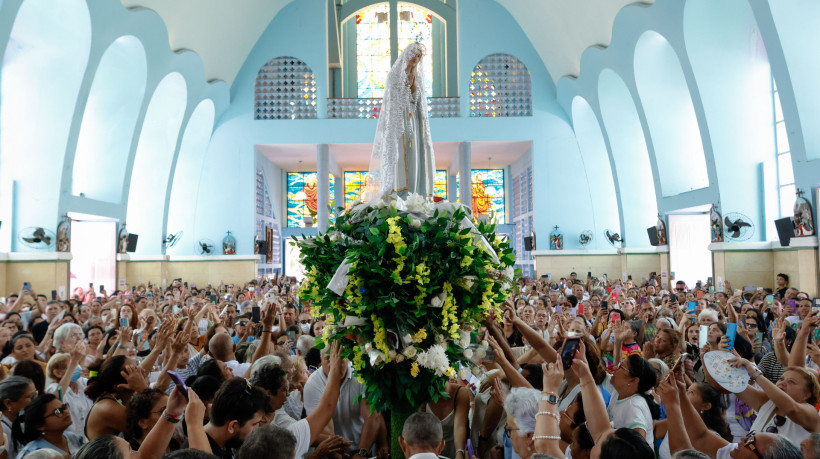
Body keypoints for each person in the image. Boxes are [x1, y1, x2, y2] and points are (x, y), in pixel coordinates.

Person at [363, 42, 434, 201]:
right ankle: (401, 191)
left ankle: (416, 191)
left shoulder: (418, 77)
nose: (416, 59)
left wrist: (414, 86)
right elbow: (392, 98)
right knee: (401, 154)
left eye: (419, 57)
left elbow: (418, 100)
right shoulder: (395, 74)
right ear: (407, 54)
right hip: (399, 119)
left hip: (414, 120)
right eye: (414, 55)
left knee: (415, 152)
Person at [184, 378, 269, 459]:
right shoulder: (195, 454)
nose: (257, 428)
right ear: (232, 426)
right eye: (254, 424)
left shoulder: (223, 443)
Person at [12, 393, 85, 457]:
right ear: (40, 426)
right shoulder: (33, 453)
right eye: (57, 411)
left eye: (64, 407)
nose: (65, 412)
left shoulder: (73, 438)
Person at [0, 376, 36, 459]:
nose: (35, 400)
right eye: (31, 397)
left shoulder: (21, 420)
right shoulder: (3, 429)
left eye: (35, 394)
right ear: (8, 403)